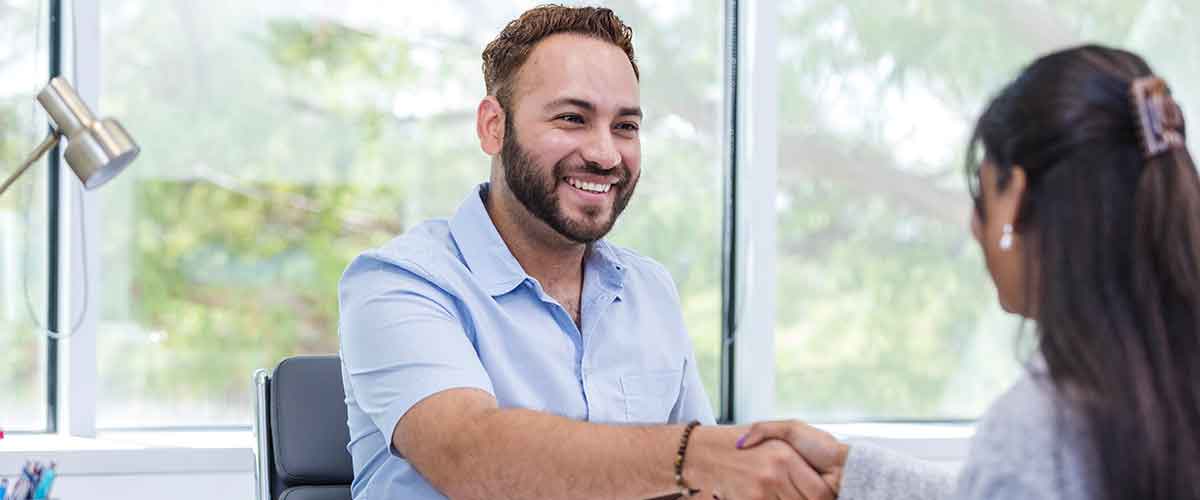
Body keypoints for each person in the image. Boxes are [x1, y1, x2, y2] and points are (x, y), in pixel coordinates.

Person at [337, 5, 831, 500]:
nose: (605, 154)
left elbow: (704, 489)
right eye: (572, 118)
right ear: (493, 126)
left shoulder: (648, 288)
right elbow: (473, 457)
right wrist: (697, 456)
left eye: (625, 126)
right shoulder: (397, 282)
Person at [737, 44, 1200, 500]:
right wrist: (851, 473)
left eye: (982, 196)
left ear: (1015, 196)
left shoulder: (1038, 433)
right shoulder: (1159, 389)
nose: (976, 228)